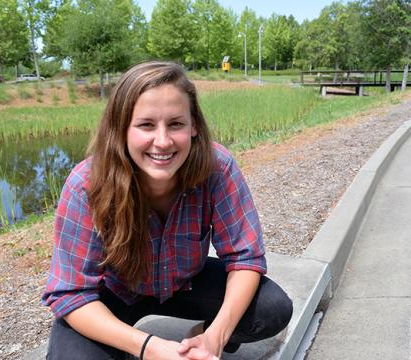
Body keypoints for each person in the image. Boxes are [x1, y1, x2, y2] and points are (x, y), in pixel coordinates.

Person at [42, 61, 293, 360]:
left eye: (176, 124)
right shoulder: (85, 185)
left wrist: (215, 337)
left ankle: (197, 339)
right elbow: (70, 293)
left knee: (273, 308)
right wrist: (148, 347)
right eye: (146, 125)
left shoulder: (218, 168)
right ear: (121, 128)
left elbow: (245, 258)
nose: (162, 142)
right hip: (116, 291)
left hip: (186, 282)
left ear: (194, 125)